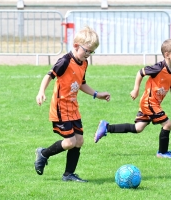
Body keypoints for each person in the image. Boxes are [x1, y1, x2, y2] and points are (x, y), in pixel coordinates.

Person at [34, 26, 111, 182]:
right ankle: (43, 154)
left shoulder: (84, 63)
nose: (88, 54)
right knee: (70, 142)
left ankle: (68, 174)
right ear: (76, 46)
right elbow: (49, 76)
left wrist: (97, 94)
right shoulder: (65, 61)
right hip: (61, 107)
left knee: (79, 141)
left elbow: (81, 84)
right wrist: (41, 91)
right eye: (87, 50)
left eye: (91, 52)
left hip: (73, 107)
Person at [94, 39, 171, 159]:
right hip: (149, 102)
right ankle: (162, 152)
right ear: (167, 54)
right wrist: (135, 89)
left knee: (138, 128)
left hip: (153, 102)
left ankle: (106, 127)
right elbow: (141, 72)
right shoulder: (158, 67)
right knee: (167, 124)